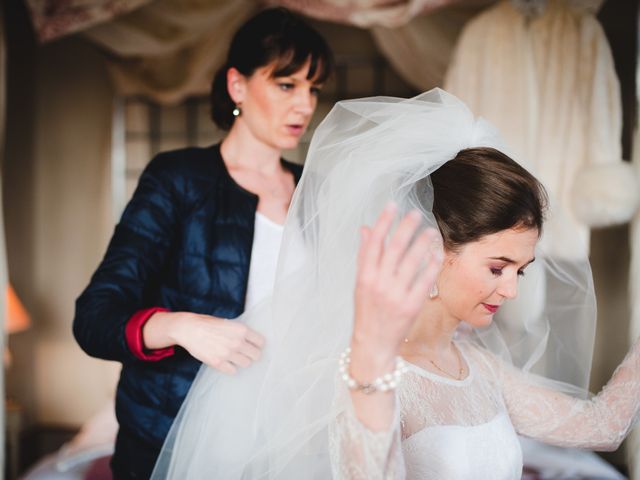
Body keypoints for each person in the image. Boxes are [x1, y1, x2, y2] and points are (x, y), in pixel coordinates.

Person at [150, 89, 640, 479]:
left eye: (520, 270)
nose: (511, 290)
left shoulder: (477, 367)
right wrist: (370, 353)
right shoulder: (367, 374)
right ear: (432, 250)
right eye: (497, 267)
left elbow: (603, 427)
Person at [72, 7, 333, 479]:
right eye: (286, 84)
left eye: (313, 88)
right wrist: (181, 327)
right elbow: (94, 318)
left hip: (283, 436)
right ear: (238, 85)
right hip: (169, 434)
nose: (305, 105)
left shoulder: (316, 190)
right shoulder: (178, 180)